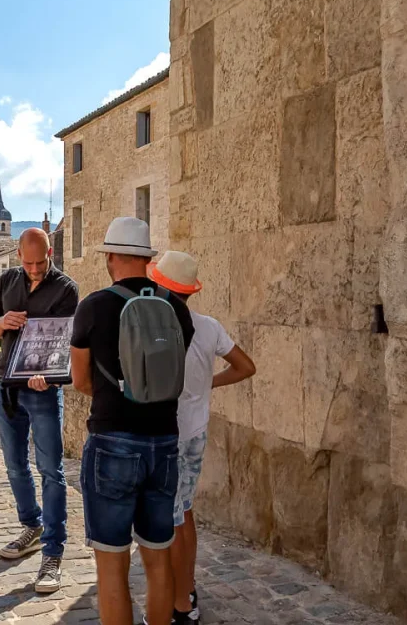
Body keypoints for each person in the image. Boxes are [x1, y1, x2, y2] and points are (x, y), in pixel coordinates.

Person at [69, 217, 195, 625]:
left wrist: (116, 395)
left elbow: (80, 379)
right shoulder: (177, 308)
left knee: (111, 567)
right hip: (165, 443)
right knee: (158, 561)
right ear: (146, 258)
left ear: (111, 256)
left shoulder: (93, 306)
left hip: (113, 442)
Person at [147, 252, 257, 625]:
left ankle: (179, 603)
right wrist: (210, 382)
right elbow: (246, 366)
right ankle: (186, 589)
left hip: (168, 433)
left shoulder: (157, 329)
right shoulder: (209, 327)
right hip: (196, 432)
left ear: (161, 287)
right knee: (185, 512)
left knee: (172, 520)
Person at [0, 228, 79, 594]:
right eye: (28, 262)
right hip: (6, 389)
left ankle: (53, 552)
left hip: (42, 392)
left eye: (41, 262)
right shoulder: (8, 280)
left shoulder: (66, 289)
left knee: (51, 471)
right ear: (18, 256)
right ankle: (32, 526)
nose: (35, 269)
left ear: (50, 252)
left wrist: (50, 377)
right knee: (14, 466)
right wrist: (2, 322)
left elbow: (66, 345)